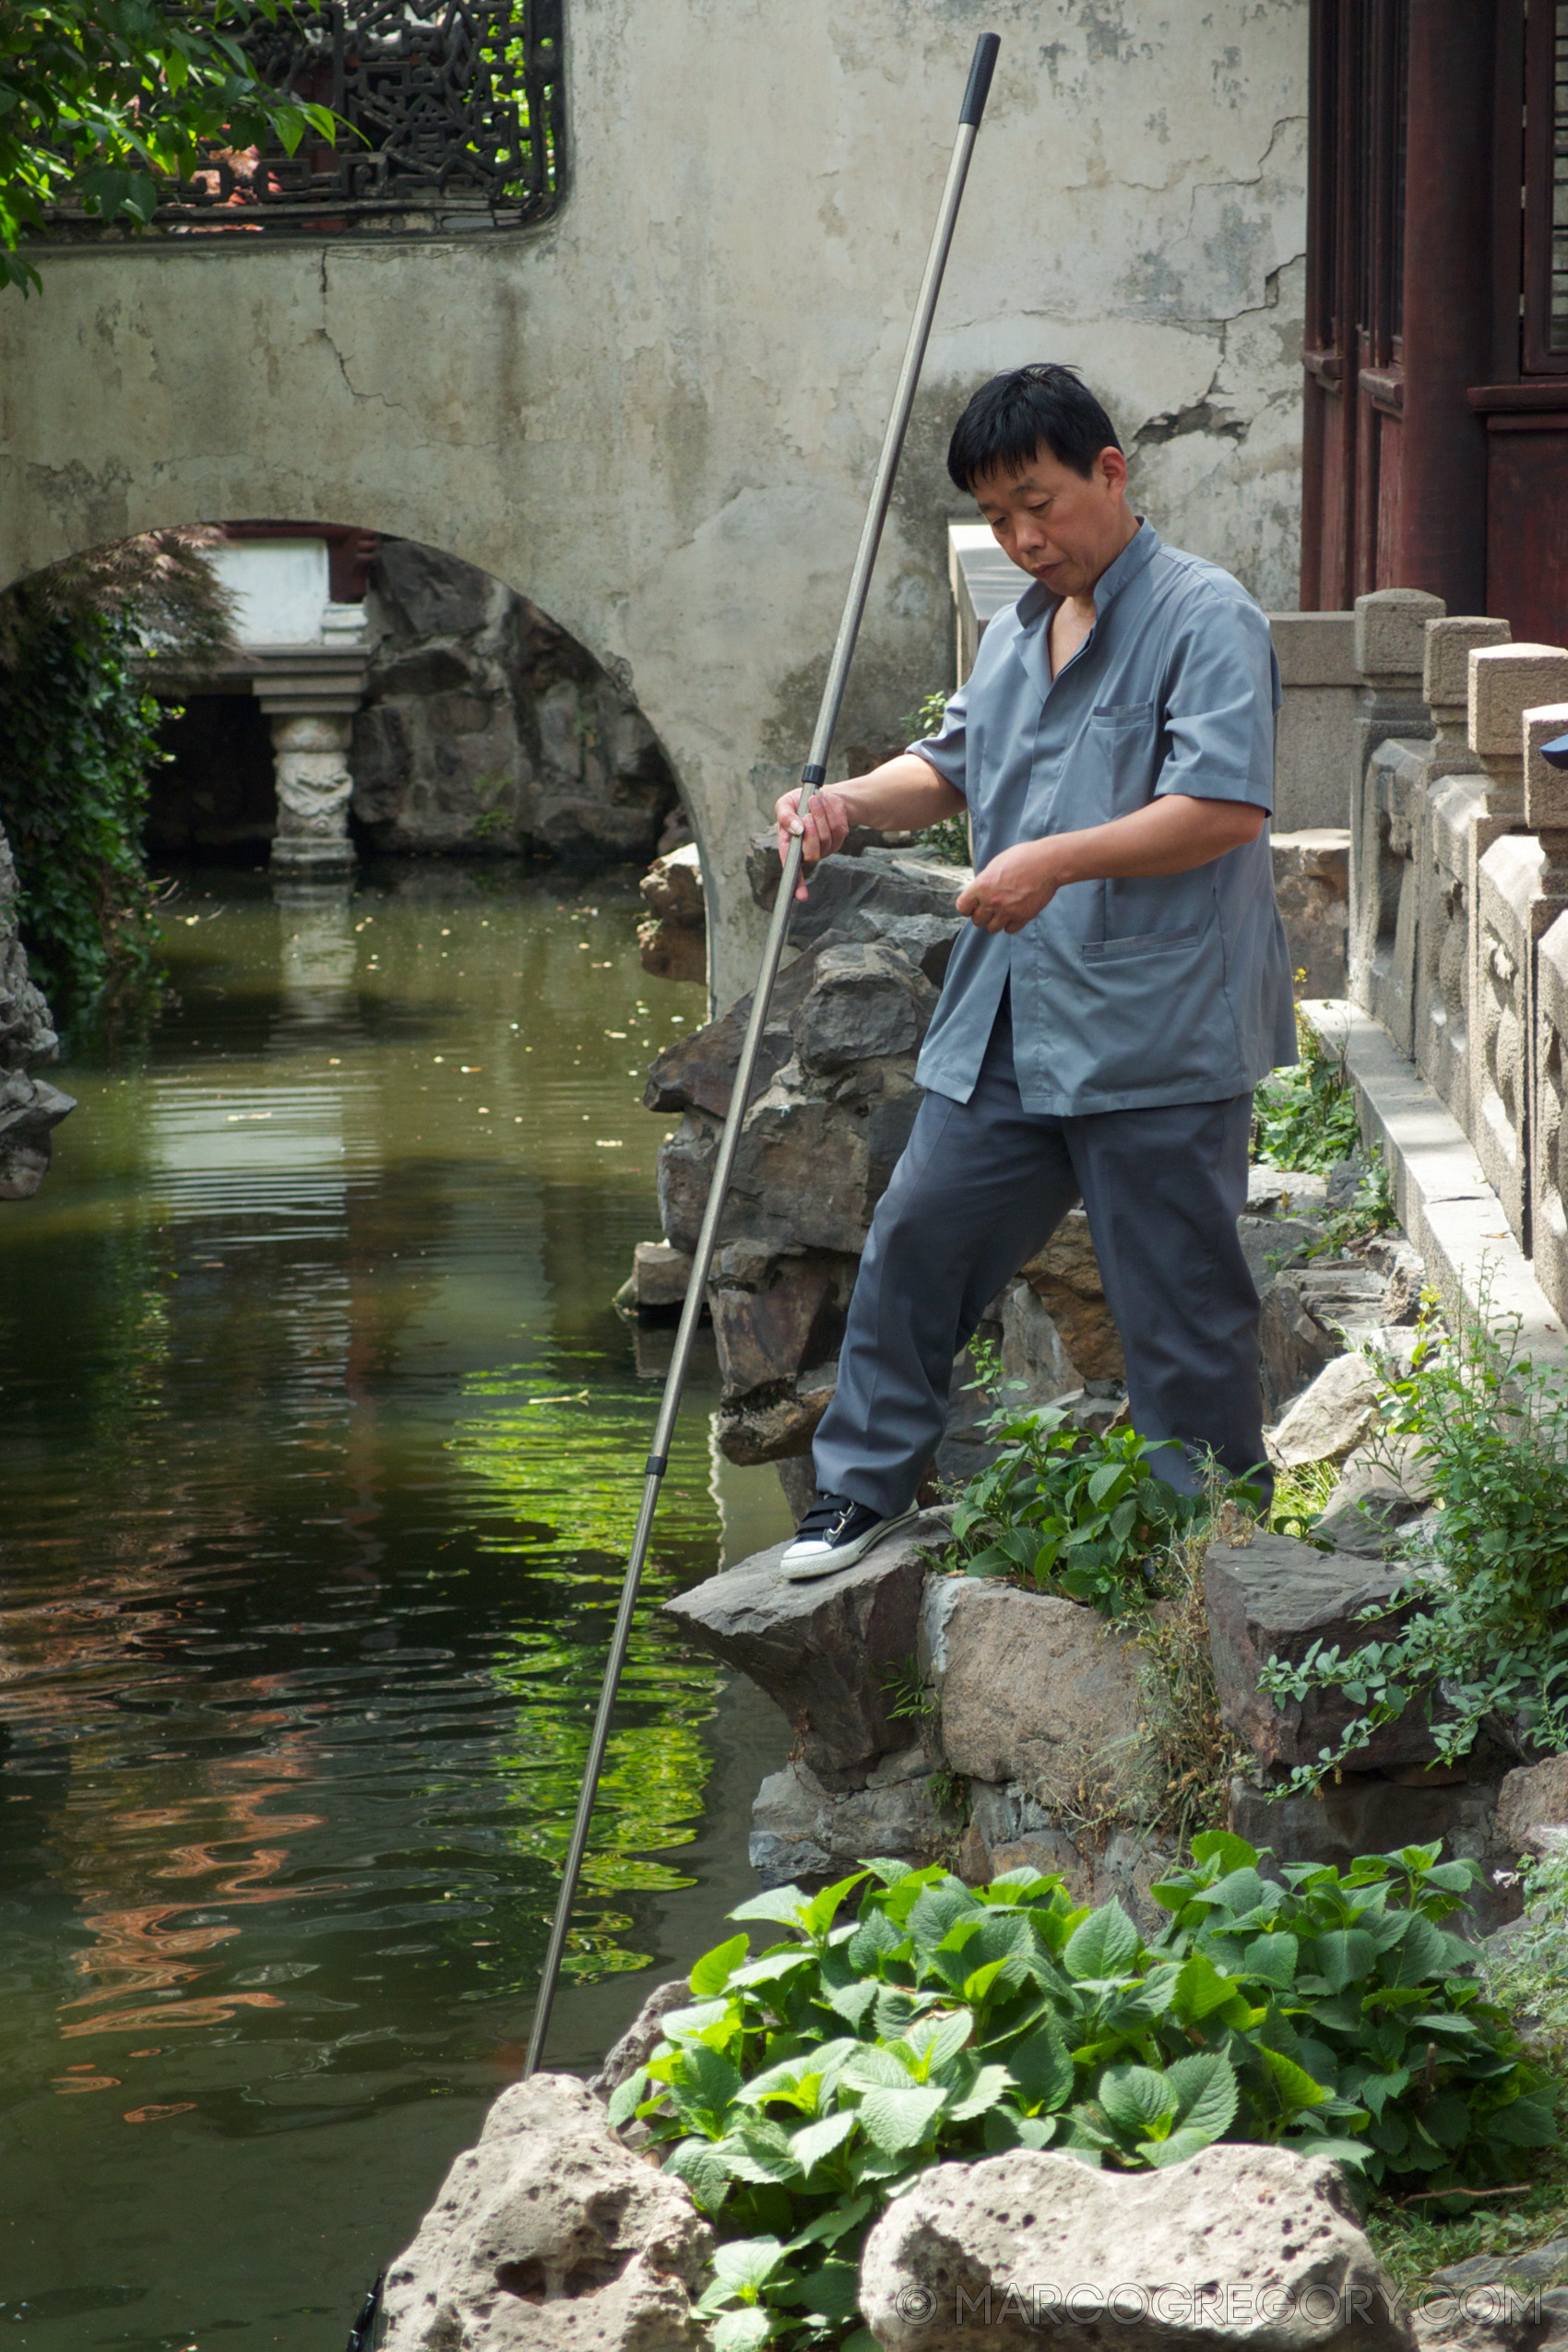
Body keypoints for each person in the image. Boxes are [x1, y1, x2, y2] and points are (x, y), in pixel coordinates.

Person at [776, 362, 1295, 1577]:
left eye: (1039, 503)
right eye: (997, 517)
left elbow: (1222, 805)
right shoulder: (1020, 634)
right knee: (915, 1236)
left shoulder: (1205, 615)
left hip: (1158, 1029)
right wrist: (845, 802)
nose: (1020, 538)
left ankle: (1213, 1550)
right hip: (1013, 1019)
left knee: (1179, 1312)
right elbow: (946, 766)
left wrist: (1051, 860)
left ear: (1110, 473)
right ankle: (861, 1493)